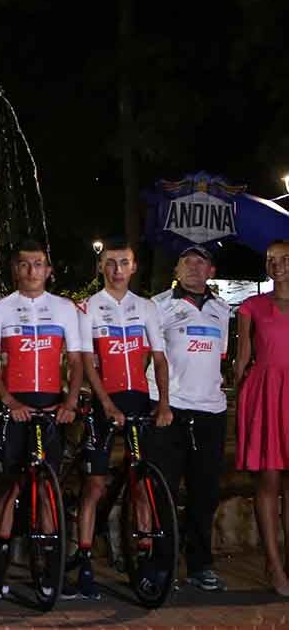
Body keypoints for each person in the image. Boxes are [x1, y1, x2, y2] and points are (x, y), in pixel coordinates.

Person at [0, 239, 84, 598]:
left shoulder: (65, 308)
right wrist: (9, 401)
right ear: (15, 269)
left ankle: (49, 570)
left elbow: (76, 361)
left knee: (47, 489)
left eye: (38, 264)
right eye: (24, 264)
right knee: (10, 487)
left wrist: (70, 401)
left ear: (48, 270)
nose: (31, 271)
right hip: (16, 406)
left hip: (51, 406)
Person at [75, 239, 171, 599]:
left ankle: (144, 560)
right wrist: (106, 404)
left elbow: (159, 359)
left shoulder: (146, 307)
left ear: (134, 267)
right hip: (105, 401)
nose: (117, 269)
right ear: (101, 266)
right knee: (95, 485)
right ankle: (84, 561)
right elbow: (86, 362)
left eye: (124, 262)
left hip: (138, 398)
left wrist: (164, 404)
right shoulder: (88, 307)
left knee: (141, 483)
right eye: (111, 262)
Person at [146, 244, 231, 593]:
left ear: (211, 271)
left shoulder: (222, 309)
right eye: (187, 261)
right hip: (169, 409)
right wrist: (160, 404)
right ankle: (160, 566)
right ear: (177, 269)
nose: (194, 267)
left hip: (211, 410)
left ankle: (200, 566)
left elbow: (220, 356)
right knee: (163, 490)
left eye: (201, 261)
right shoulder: (157, 305)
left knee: (205, 493)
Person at [235, 239, 289, 595]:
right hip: (266, 394)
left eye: (284, 259)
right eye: (271, 259)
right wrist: (238, 404)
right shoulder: (251, 306)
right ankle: (273, 563)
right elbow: (242, 358)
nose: (277, 265)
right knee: (268, 481)